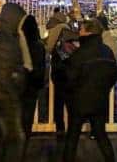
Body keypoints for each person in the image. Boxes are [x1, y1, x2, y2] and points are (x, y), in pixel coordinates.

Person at [63, 19, 117, 162]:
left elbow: (69, 78)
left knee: (72, 137)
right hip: (100, 99)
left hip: (79, 101)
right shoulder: (107, 51)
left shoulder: (79, 53)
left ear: (87, 32)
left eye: (81, 30)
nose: (78, 32)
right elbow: (113, 75)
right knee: (101, 135)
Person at [0, 3, 31, 161]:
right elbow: (7, 73)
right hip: (6, 95)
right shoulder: (8, 41)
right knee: (15, 139)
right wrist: (17, 88)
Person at [46, 7, 73, 138]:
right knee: (71, 99)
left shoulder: (55, 29)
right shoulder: (69, 28)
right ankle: (73, 126)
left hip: (58, 68)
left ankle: (60, 128)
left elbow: (49, 48)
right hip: (70, 68)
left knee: (58, 100)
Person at [20, 14, 46, 139]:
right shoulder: (39, 45)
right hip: (33, 83)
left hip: (19, 82)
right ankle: (25, 137)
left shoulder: (18, 43)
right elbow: (41, 66)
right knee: (28, 114)